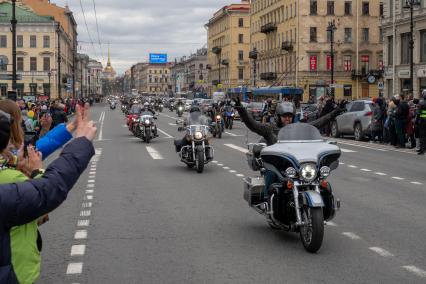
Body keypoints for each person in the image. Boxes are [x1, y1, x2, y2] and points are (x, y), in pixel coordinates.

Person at [0, 104, 96, 283]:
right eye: (18, 123)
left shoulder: (11, 160)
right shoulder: (10, 176)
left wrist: (71, 127)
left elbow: (40, 146)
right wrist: (36, 172)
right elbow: (46, 192)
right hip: (16, 269)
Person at [234, 97, 342, 200]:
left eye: (290, 116)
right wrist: (242, 111)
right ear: (278, 116)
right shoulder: (269, 129)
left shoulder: (299, 128)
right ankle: (268, 200)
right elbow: (253, 125)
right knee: (271, 174)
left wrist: (335, 112)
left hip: (296, 164)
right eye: (284, 116)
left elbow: (317, 123)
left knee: (317, 176)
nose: (287, 118)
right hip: (277, 164)